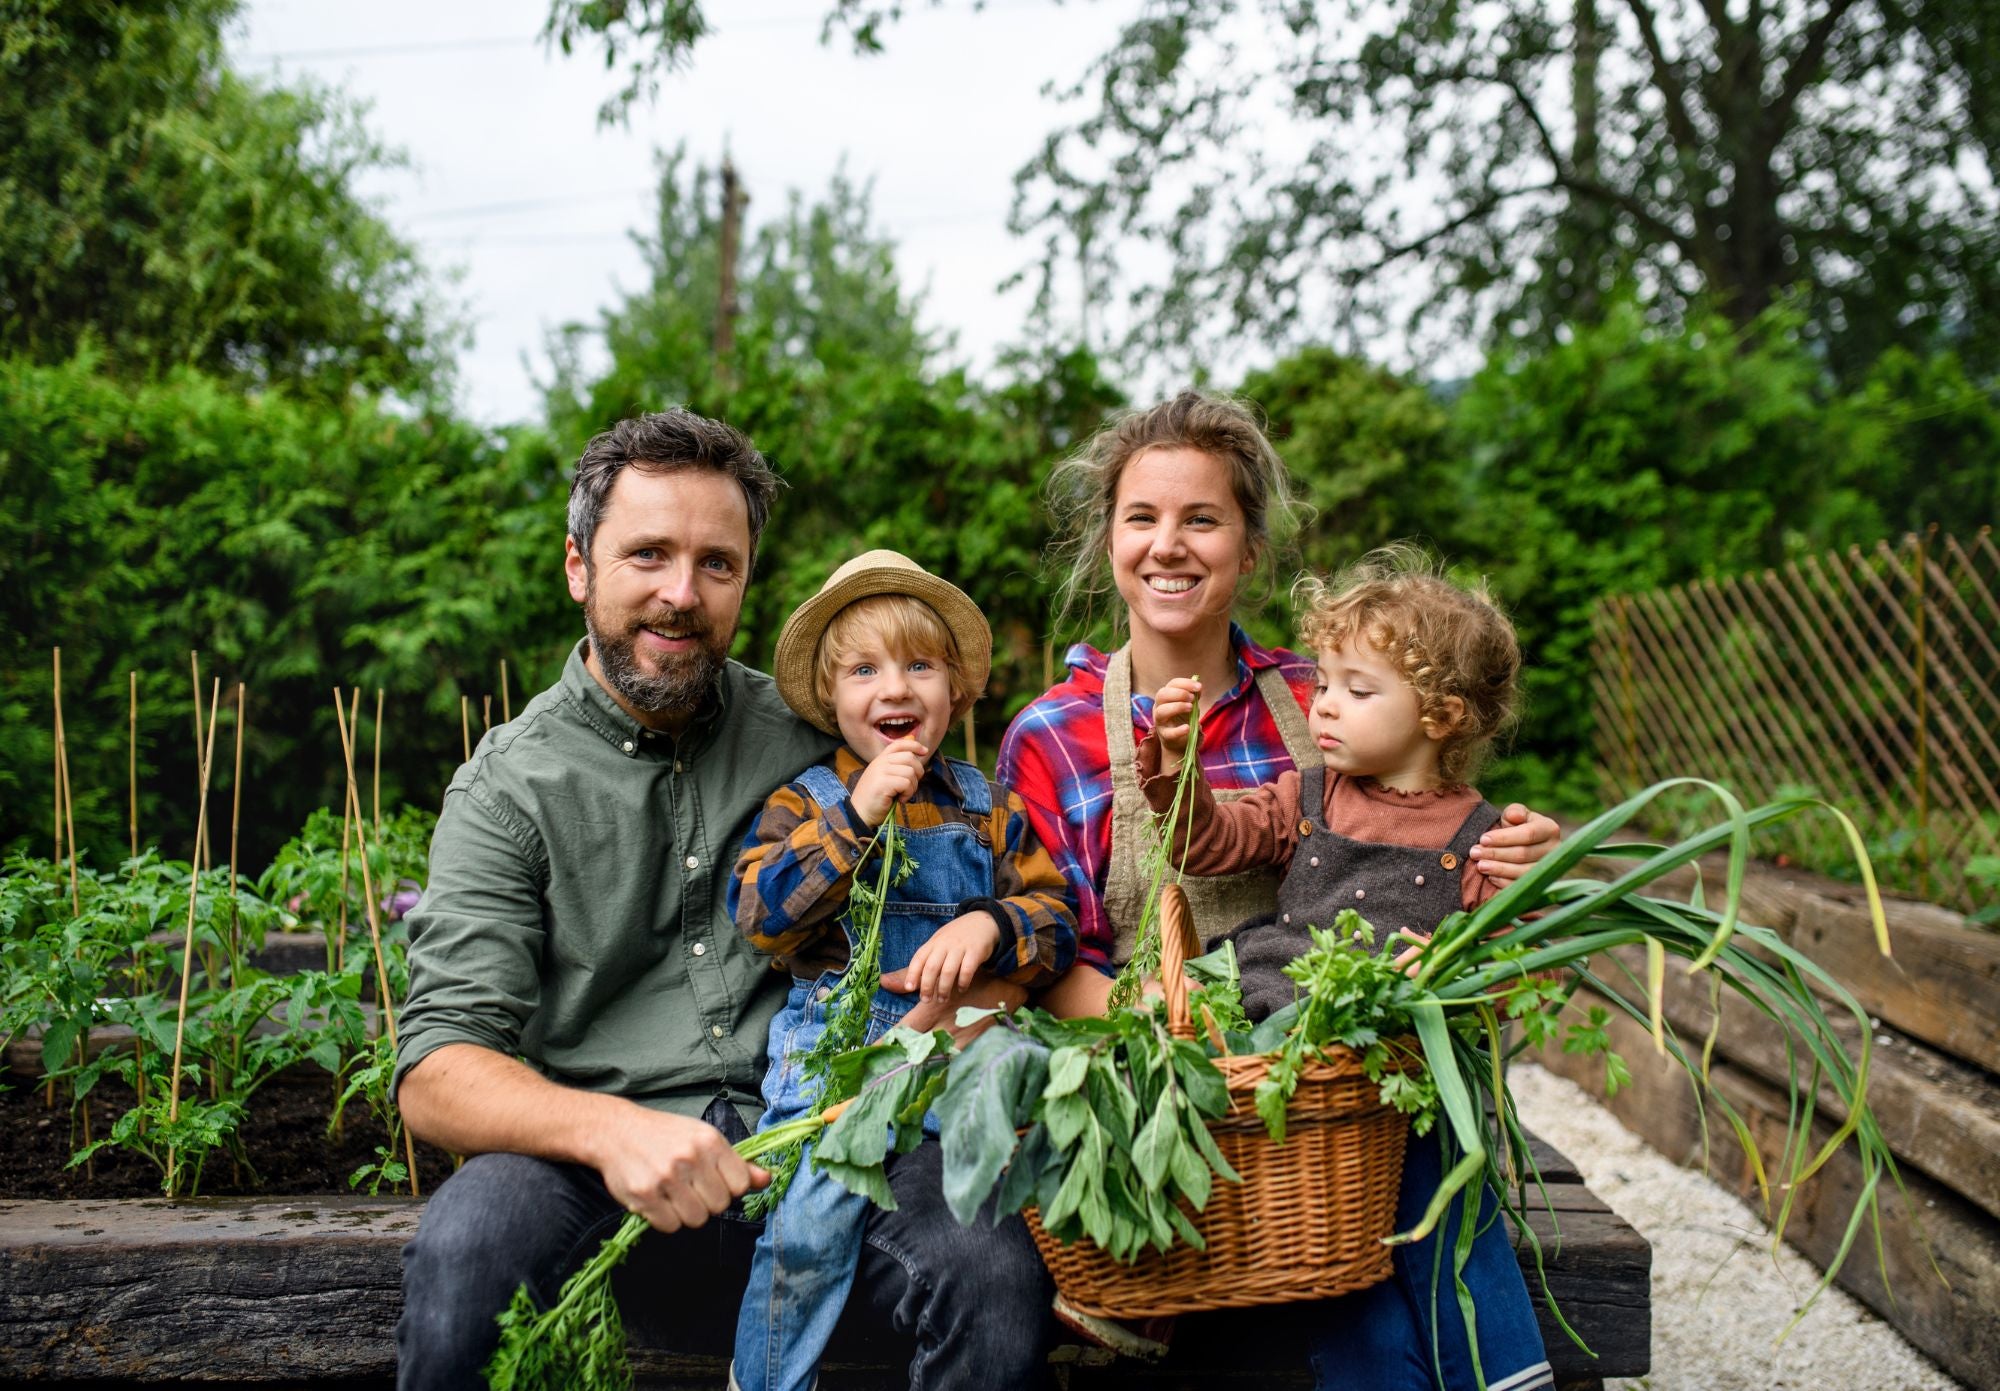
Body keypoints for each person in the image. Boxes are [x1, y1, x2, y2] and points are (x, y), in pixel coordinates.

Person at [391, 411, 1054, 1391]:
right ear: (578, 566)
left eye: (716, 563)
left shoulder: (814, 732)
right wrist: (612, 1129)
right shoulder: (509, 789)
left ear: (745, 577)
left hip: (838, 1127)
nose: (680, 593)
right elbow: (436, 1071)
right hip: (603, 1166)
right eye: (646, 554)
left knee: (989, 1266)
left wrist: (982, 981)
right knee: (466, 1242)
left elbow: (982, 865)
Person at [994, 392, 1563, 1383]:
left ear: (1248, 547)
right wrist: (1184, 1052)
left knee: (1361, 1317)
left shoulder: (1329, 695)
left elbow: (1428, 839)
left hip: (1329, 1136)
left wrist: (1511, 858)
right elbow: (1043, 956)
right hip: (1159, 1121)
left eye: (1201, 518)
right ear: (1110, 539)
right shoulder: (1050, 732)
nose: (1167, 544)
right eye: (1141, 517)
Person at [1141, 546, 1554, 1391]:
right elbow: (1206, 842)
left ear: (1439, 713)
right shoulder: (1311, 793)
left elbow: (1520, 976)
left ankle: (1504, 1372)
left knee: (1450, 1215)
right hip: (1301, 1069)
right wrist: (1177, 767)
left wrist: (1491, 938)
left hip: (1405, 1081)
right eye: (1324, 682)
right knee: (1342, 1268)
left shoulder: (1480, 837)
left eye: (1357, 690)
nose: (1325, 706)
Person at [728, 549, 1077, 1391]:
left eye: (920, 665)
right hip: (838, 1065)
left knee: (1038, 1165)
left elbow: (1057, 922)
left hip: (956, 1055)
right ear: (832, 697)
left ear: (955, 690)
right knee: (807, 1224)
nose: (895, 687)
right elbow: (761, 915)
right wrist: (857, 815)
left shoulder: (989, 805)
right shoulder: (807, 801)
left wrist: (996, 924)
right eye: (865, 669)